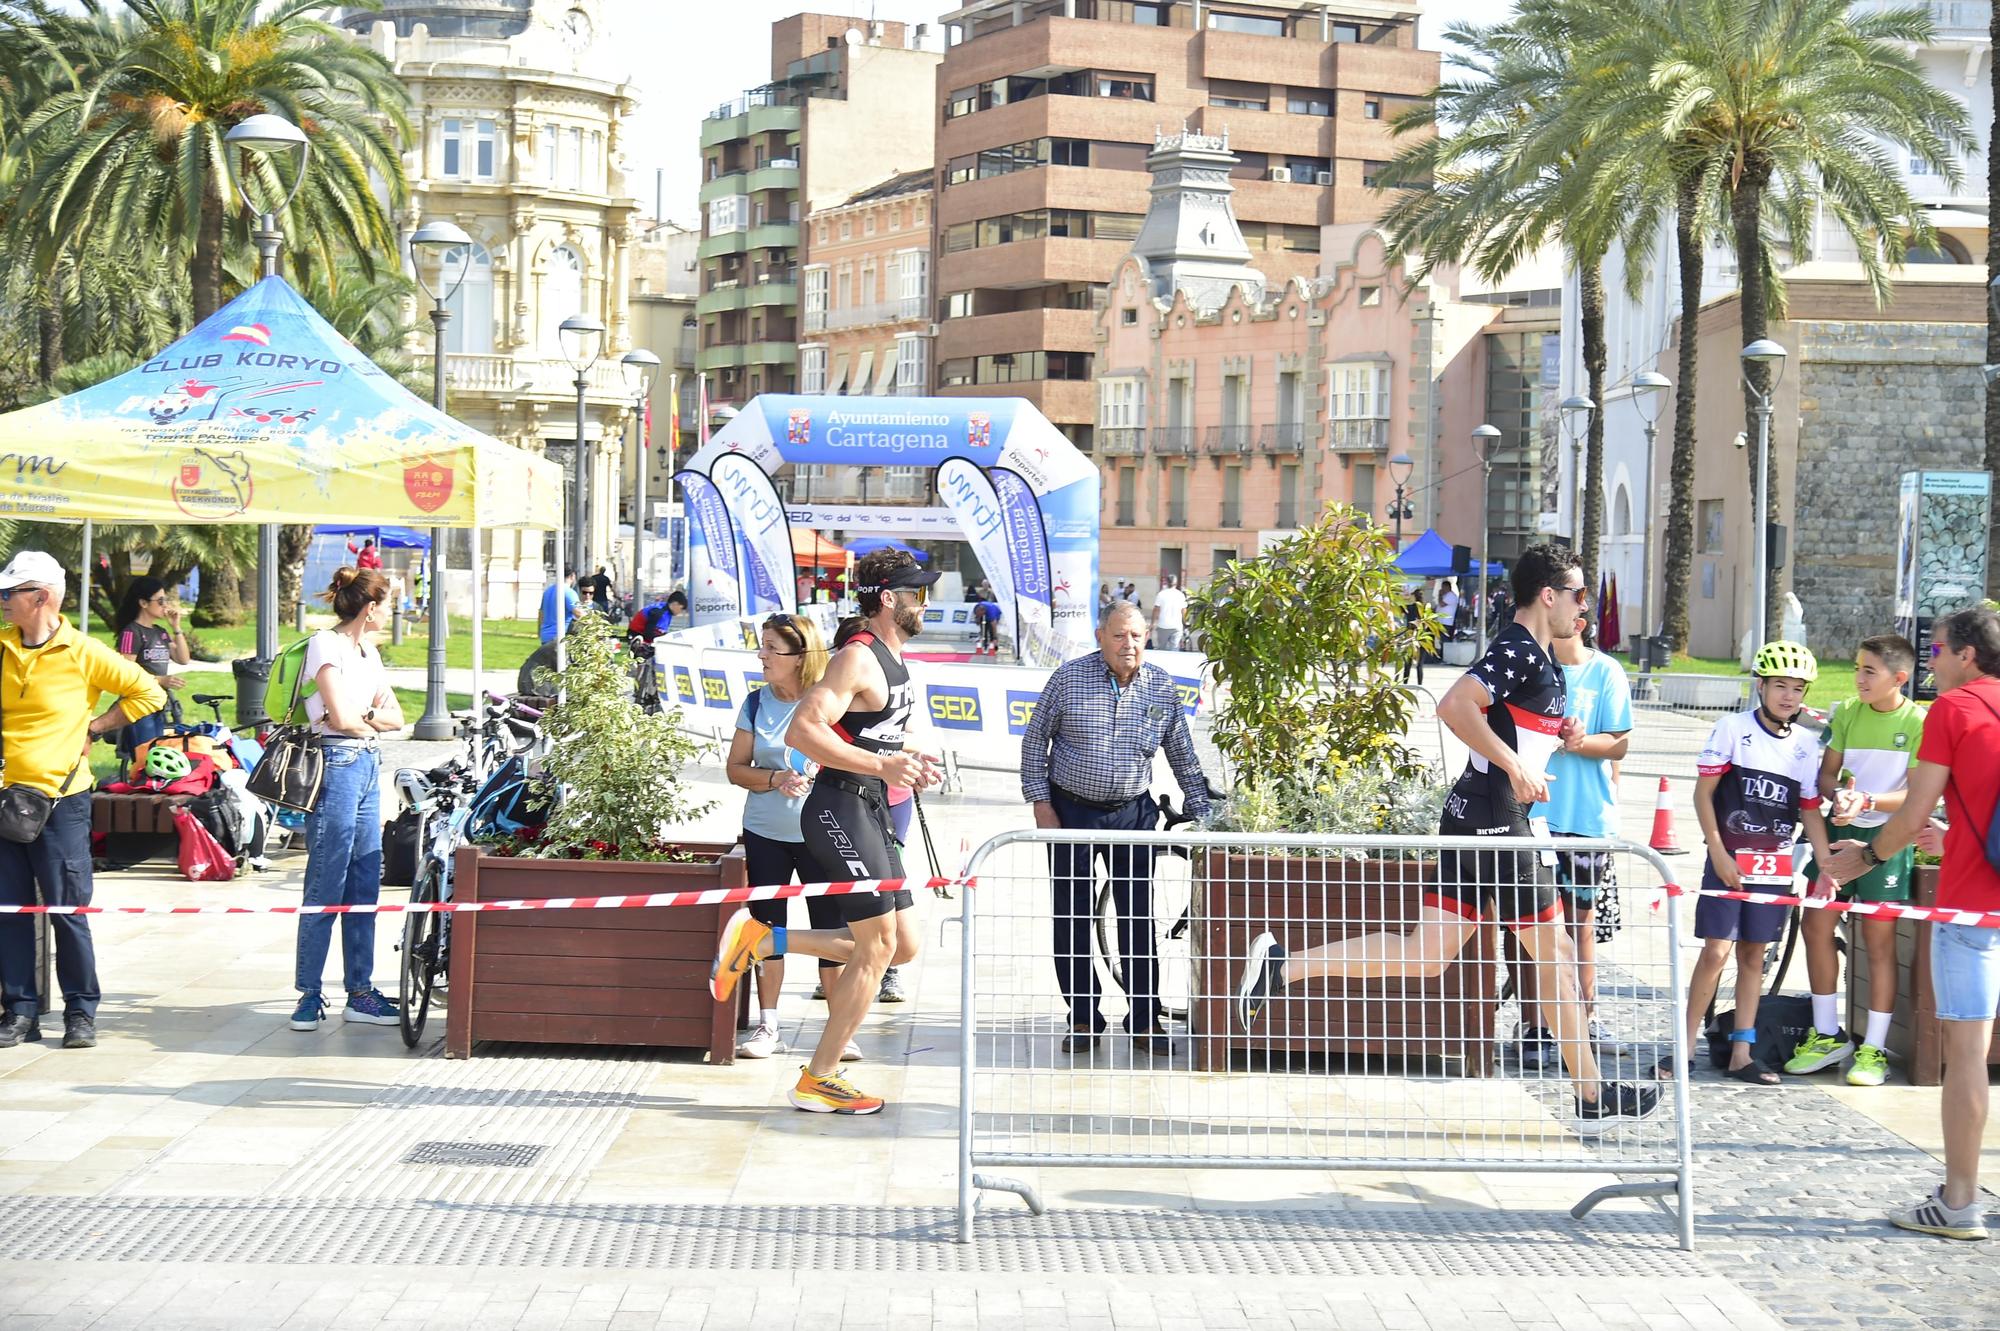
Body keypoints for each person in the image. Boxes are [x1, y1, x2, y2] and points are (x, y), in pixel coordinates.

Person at [1234, 543, 1658, 1131]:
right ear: (1549, 595)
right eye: (1579, 593)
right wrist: (1516, 766)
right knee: (1555, 954)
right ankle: (1590, 1100)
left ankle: (1282, 966)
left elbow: (1513, 721)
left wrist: (1560, 733)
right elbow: (1456, 706)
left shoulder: (1540, 655)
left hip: (1476, 815)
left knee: (1426, 955)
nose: (1583, 606)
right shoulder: (1518, 649)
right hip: (1501, 823)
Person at [710, 548, 943, 1114]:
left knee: (902, 946)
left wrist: (908, 757)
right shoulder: (858, 657)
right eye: (919, 593)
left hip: (869, 810)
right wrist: (882, 767)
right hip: (839, 808)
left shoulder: (893, 657)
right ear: (890, 599)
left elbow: (871, 735)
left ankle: (763, 939)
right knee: (878, 944)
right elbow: (802, 731)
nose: (926, 603)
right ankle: (820, 1076)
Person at [1825, 607, 2000, 1241]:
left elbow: (1910, 814)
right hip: (1985, 889)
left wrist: (1863, 856)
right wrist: (1955, 839)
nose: (1931, 661)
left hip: (1969, 912)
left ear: (1969, 656)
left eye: (1939, 649)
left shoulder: (1954, 712)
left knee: (1967, 1055)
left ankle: (1958, 1202)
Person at [1022, 600, 1213, 1055]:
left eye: (1136, 635)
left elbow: (1182, 754)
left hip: (1134, 811)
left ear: (1147, 636)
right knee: (1071, 917)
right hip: (1072, 811)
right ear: (1100, 635)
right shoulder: (1068, 680)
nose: (1129, 644)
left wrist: (1203, 811)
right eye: (1119, 635)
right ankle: (1084, 1018)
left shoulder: (1161, 687)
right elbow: (1034, 743)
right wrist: (1041, 805)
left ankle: (1145, 1020)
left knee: (1136, 917)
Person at [0, 552, 165, 1051]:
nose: (3, 602)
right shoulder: (3, 646)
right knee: (9, 910)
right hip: (7, 799)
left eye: (10, 594)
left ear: (41, 597)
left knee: (67, 909)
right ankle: (19, 1010)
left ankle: (80, 1012)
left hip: (61, 802)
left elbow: (148, 694)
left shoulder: (83, 652)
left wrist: (94, 726)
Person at [1673, 640, 1838, 1087]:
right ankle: (1683, 1047)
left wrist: (1826, 865)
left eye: (1798, 689)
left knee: (1753, 954)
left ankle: (1742, 1054)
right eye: (1780, 685)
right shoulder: (1731, 729)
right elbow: (1702, 794)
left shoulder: (1807, 744)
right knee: (1715, 951)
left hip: (1775, 864)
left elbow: (1808, 810)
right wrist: (1717, 852)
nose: (1789, 696)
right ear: (1761, 686)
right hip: (1727, 859)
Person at [1786, 635, 1924, 1087]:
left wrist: (1868, 799)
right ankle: (1827, 1035)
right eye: (1858, 669)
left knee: (1879, 943)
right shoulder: (1846, 712)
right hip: (1840, 831)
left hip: (1889, 841)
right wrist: (1840, 795)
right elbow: (1827, 774)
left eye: (1870, 671)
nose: (1859, 678)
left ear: (1898, 678)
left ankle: (1874, 1049)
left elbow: (1916, 796)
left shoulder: (1919, 721)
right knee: (1815, 926)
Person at [290, 567, 405, 1034]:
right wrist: (362, 718)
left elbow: (396, 717)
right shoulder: (326, 644)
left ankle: (360, 991)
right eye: (389, 603)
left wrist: (366, 716)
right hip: (335, 767)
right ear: (370, 607)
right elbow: (339, 717)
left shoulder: (366, 652)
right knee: (326, 879)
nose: (393, 611)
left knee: (364, 882)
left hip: (366, 768)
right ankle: (309, 993)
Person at [1517, 604, 1633, 1068]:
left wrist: (1580, 742)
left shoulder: (1606, 672)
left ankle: (1584, 1020)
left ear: (1579, 625)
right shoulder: (1529, 665)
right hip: (1533, 816)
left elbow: (1620, 742)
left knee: (1581, 924)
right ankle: (1535, 1025)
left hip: (1586, 818)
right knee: (1532, 927)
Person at [725, 614, 830, 1059]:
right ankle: (768, 1027)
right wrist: (773, 779)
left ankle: (839, 1031)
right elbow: (735, 769)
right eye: (761, 645)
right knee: (768, 927)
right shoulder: (755, 702)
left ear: (799, 655)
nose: (762, 655)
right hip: (766, 832)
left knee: (833, 929)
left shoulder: (830, 700)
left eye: (771, 648)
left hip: (823, 833)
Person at [112, 577, 191, 764]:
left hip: (157, 704)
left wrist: (176, 628)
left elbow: (183, 658)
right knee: (146, 759)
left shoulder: (160, 632)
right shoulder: (131, 633)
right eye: (160, 600)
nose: (165, 605)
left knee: (156, 756)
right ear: (143, 603)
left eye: (166, 600)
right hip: (138, 705)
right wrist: (160, 680)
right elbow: (126, 673)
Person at [539, 570, 580, 644]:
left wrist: (540, 632)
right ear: (572, 576)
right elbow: (579, 613)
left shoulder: (547, 591)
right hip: (560, 637)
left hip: (545, 636)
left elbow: (541, 614)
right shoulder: (569, 592)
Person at [1151, 574, 1188, 653]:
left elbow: (1156, 609)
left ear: (1167, 582)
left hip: (1163, 626)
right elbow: (1184, 610)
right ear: (1176, 583)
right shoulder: (1180, 595)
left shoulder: (1161, 594)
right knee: (1174, 650)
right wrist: (1185, 622)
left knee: (1161, 649)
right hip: (1176, 627)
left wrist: (1153, 623)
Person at [1401, 586, 1428, 685]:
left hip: (1410, 637)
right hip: (1422, 637)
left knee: (1407, 663)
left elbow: (1400, 609)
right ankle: (1420, 685)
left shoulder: (1410, 608)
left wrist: (1406, 597)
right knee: (1420, 665)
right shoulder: (1426, 609)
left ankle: (1405, 683)